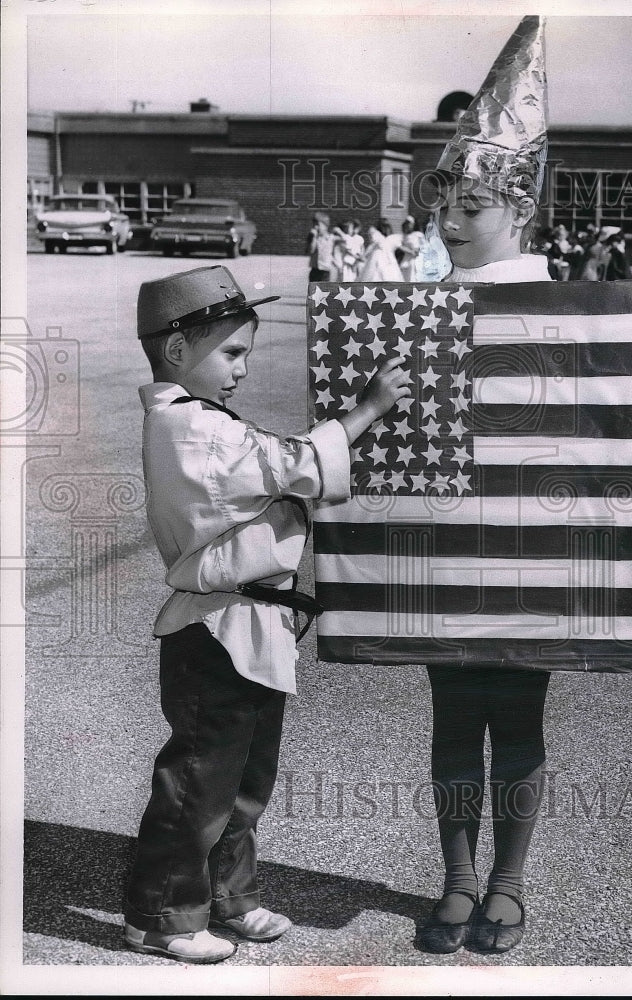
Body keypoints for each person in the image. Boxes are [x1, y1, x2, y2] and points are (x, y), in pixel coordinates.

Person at [124, 264, 411, 963]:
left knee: (244, 781)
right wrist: (367, 409)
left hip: (251, 626)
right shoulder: (186, 427)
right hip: (214, 629)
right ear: (175, 352)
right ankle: (161, 915)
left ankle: (228, 897)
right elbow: (294, 464)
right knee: (199, 782)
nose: (242, 371)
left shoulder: (204, 418)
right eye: (231, 353)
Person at [415, 15, 552, 957]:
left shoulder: (560, 302)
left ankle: (508, 882)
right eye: (445, 204)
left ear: (520, 209)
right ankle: (458, 879)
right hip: (440, 536)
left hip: (530, 549)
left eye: (473, 205)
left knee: (520, 713)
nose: (453, 220)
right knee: (454, 713)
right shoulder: (417, 297)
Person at [306, 211, 336, 282]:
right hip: (315, 270)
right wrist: (314, 238)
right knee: (313, 291)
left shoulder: (331, 238)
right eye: (314, 225)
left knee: (324, 291)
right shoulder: (313, 238)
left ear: (326, 226)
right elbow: (311, 251)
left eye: (318, 225)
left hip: (325, 270)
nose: (315, 227)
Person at [396, 215, 425, 281]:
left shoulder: (419, 234)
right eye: (407, 224)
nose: (409, 226)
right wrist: (409, 251)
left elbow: (425, 245)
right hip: (408, 258)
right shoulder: (405, 236)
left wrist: (419, 250)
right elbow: (401, 246)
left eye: (410, 224)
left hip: (418, 258)